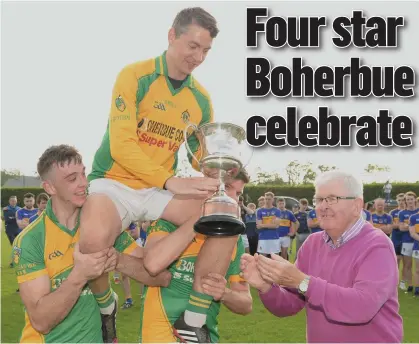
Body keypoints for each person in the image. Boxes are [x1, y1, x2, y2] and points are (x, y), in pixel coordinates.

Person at [77, 8, 243, 341]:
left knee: (224, 212)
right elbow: (122, 145)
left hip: (157, 191)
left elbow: (200, 157)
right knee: (93, 240)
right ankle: (106, 305)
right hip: (115, 182)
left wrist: (217, 170)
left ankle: (193, 316)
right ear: (172, 36)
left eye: (206, 50)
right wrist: (170, 181)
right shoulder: (134, 76)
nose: (198, 57)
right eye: (192, 46)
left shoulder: (202, 100)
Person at [13, 144, 171, 343]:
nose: (83, 183)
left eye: (83, 174)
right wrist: (79, 276)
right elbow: (41, 321)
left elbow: (160, 277)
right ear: (49, 187)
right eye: (72, 179)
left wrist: (119, 261)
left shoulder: (102, 225)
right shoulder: (30, 240)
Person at [240, 170, 403, 343]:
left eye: (332, 199)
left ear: (356, 206)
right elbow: (289, 304)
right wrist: (266, 287)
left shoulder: (377, 245)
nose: (322, 206)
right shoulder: (312, 244)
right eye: (318, 199)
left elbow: (362, 307)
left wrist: (302, 282)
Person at [140, 170, 252, 342]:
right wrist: (201, 216)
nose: (233, 198)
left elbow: (246, 303)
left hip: (203, 338)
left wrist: (225, 293)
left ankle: (193, 321)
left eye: (238, 193)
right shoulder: (167, 223)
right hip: (159, 337)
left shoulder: (233, 239)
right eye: (227, 187)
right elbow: (153, 264)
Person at [399, 191, 419, 293]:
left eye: (411, 199)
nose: (410, 201)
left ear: (415, 199)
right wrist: (413, 227)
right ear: (405, 201)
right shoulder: (402, 213)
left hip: (418, 242)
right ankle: (410, 285)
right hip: (407, 241)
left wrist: (410, 226)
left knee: (418, 266)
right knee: (408, 264)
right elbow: (401, 228)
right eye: (408, 199)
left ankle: (417, 285)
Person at [256, 192, 282, 257]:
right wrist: (271, 224)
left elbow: (276, 226)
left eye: (269, 199)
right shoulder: (260, 211)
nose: (267, 201)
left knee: (275, 259)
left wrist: (262, 225)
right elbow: (258, 226)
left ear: (273, 200)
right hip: (263, 238)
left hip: (274, 238)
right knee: (262, 259)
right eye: (266, 199)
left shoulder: (277, 211)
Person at [390, 193, 406, 289]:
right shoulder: (393, 212)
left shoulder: (407, 212)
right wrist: (402, 225)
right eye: (399, 200)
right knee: (396, 261)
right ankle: (394, 281)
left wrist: (400, 225)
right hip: (396, 239)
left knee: (406, 262)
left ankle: (403, 282)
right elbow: (393, 225)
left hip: (406, 239)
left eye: (402, 200)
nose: (401, 202)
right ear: (397, 201)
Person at [408, 197, 419, 297]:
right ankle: (417, 289)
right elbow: (412, 233)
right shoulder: (413, 217)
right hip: (418, 247)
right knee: (418, 269)